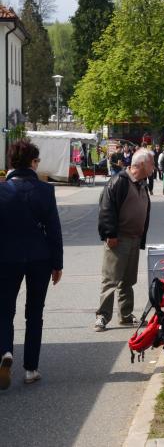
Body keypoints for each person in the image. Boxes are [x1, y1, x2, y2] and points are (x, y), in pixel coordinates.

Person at [0, 139, 63, 388]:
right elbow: (54, 230)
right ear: (32, 162)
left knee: (4, 310)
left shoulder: (2, 190)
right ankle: (31, 368)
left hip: (7, 258)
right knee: (35, 312)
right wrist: (57, 264)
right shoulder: (45, 190)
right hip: (40, 258)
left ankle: (5, 350)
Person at [94, 149, 154, 332]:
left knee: (128, 281)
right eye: (151, 163)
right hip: (118, 239)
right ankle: (102, 316)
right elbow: (106, 209)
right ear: (141, 164)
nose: (154, 167)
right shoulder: (119, 181)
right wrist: (110, 234)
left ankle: (126, 315)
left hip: (134, 238)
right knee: (111, 279)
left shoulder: (142, 183)